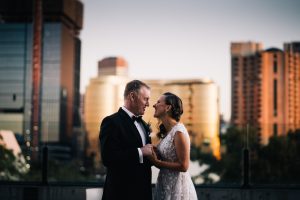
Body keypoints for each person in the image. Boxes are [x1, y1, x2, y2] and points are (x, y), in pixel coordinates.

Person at [99, 80, 153, 200]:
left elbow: (146, 159)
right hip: (120, 193)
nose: (148, 104)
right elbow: (108, 157)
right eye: (145, 99)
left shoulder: (144, 124)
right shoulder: (111, 122)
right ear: (132, 96)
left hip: (143, 193)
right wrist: (140, 151)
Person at [149, 92, 198, 200]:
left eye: (158, 102)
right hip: (165, 185)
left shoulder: (179, 132)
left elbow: (184, 166)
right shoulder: (168, 132)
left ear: (167, 107)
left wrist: (157, 162)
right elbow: (168, 160)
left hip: (177, 189)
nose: (154, 105)